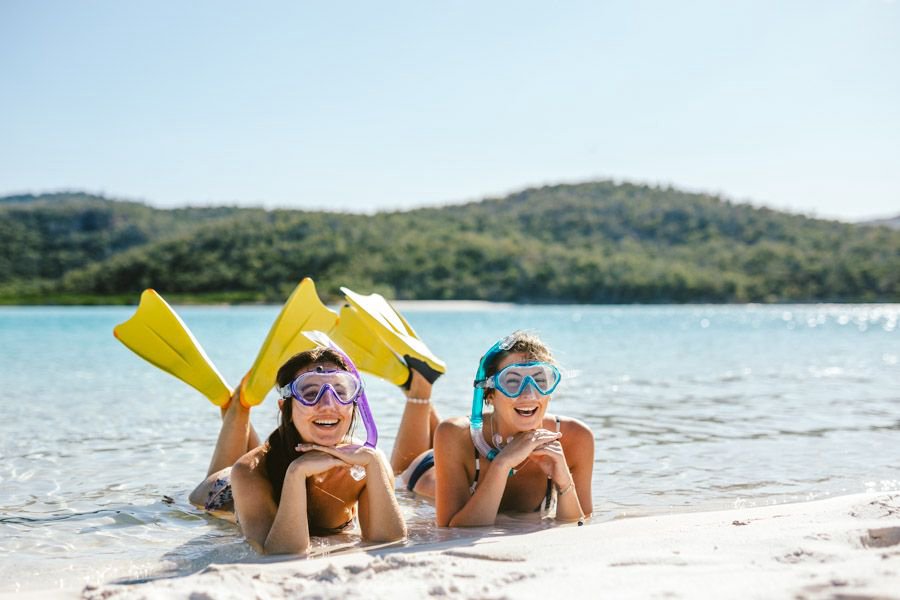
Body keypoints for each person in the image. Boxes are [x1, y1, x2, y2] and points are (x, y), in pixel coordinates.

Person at [188, 345, 406, 554]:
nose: (328, 405)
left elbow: (389, 541)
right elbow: (278, 554)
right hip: (220, 493)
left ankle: (239, 406)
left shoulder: (367, 461)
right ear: (286, 408)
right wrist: (296, 473)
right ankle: (238, 405)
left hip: (273, 461)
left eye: (341, 392)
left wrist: (375, 462)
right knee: (247, 463)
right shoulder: (249, 471)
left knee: (267, 458)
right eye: (310, 394)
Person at [393, 331, 594, 527]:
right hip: (428, 468)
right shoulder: (453, 433)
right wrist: (502, 464)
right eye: (512, 381)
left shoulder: (575, 438)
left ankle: (420, 387)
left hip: (460, 449)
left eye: (540, 381)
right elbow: (452, 530)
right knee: (398, 472)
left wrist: (564, 482)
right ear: (489, 394)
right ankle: (420, 390)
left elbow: (578, 524)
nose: (529, 394)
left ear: (550, 391)